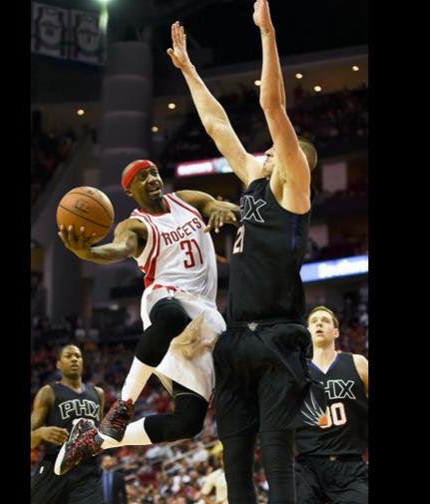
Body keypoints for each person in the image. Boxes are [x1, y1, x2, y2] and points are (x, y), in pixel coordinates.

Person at [167, 1, 319, 500]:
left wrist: (269, 35)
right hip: (235, 338)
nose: (267, 150)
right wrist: (189, 70)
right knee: (235, 464)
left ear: (295, 157)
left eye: (276, 148)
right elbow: (217, 127)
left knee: (278, 463)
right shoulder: (254, 180)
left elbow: (272, 108)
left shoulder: (294, 184)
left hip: (279, 337)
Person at [55, 158, 239, 474]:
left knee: (188, 423)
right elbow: (117, 249)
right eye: (142, 177)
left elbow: (220, 207)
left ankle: (95, 440)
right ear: (130, 191)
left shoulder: (187, 200)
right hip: (165, 300)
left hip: (205, 317)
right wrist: (88, 254)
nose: (151, 178)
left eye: (153, 172)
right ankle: (123, 405)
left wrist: (225, 209)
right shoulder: (136, 226)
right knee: (172, 317)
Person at [295, 306, 369, 503]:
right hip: (308, 467)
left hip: (350, 465)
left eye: (325, 320)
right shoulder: (296, 371)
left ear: (336, 332)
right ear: (308, 331)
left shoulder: (357, 363)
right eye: (314, 321)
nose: (319, 323)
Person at [30, 344, 105, 503]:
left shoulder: (98, 394)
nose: (74, 360)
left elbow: (102, 433)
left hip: (88, 471)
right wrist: (41, 432)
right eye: (68, 356)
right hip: (54, 466)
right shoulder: (48, 392)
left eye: (78, 356)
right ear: (58, 363)